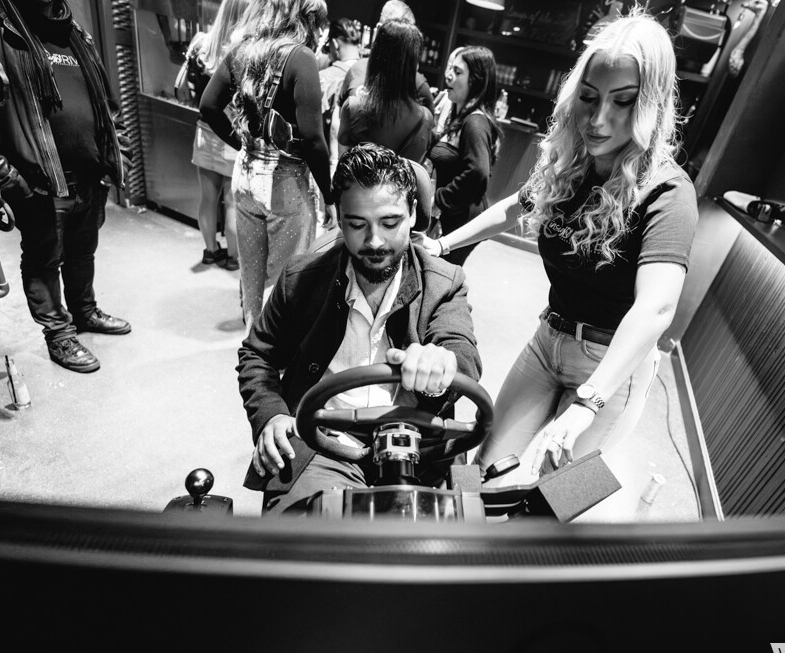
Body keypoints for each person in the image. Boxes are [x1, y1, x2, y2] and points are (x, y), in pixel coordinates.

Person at [416, 12, 698, 516]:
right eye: (589, 97)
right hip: (549, 339)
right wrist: (442, 245)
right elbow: (514, 206)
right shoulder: (573, 162)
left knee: (554, 504)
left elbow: (657, 308)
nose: (598, 119)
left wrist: (589, 401)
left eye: (623, 102)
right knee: (480, 472)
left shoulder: (669, 192)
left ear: (651, 103)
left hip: (613, 370)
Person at [236, 143, 481, 515]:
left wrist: (442, 362)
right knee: (302, 535)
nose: (374, 241)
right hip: (322, 443)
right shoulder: (301, 278)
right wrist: (271, 413)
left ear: (414, 214)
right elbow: (257, 354)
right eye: (356, 224)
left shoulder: (444, 282)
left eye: (390, 223)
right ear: (339, 217)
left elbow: (461, 351)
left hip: (420, 448)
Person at [0, 0, 131, 373]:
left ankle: (85, 311)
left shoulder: (71, 29)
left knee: (83, 251)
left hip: (89, 173)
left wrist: (116, 156)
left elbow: (106, 104)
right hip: (38, 180)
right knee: (44, 257)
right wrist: (8, 178)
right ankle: (59, 333)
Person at [200, 0, 333, 328]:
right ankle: (275, 355)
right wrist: (330, 196)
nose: (321, 32)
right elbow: (314, 140)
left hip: (245, 175)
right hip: (286, 184)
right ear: (307, 19)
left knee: (252, 279)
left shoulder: (243, 49)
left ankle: (252, 346)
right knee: (284, 284)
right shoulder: (301, 58)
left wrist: (242, 144)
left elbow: (208, 105)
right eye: (319, 23)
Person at [182, 0, 247, 271]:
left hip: (204, 131)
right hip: (232, 133)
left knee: (207, 198)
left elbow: (188, 89)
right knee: (232, 202)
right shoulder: (243, 50)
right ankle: (233, 257)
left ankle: (210, 251)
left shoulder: (201, 43)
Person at [428, 46, 500, 267]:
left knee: (441, 278)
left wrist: (439, 199)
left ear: (475, 81)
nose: (449, 75)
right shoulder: (462, 117)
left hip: (462, 220)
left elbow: (478, 172)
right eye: (450, 69)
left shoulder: (475, 122)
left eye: (458, 72)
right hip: (455, 217)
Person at [337, 21, 434, 166]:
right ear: (413, 65)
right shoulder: (425, 119)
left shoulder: (354, 108)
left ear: (375, 58)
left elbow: (343, 164)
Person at [337, 1, 434, 114]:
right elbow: (339, 113)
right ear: (379, 29)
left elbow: (428, 122)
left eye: (410, 34)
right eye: (399, 33)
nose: (406, 41)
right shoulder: (357, 69)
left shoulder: (417, 84)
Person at [318, 17, 362, 174]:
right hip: (361, 165)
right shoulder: (369, 77)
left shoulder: (324, 78)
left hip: (328, 163)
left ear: (335, 44)